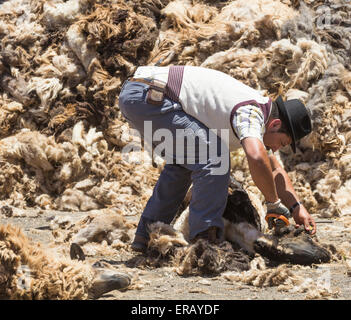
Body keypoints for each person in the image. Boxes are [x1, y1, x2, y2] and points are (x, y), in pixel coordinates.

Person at [118, 65, 316, 253]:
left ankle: (146, 236)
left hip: (141, 95)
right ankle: (204, 242)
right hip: (151, 96)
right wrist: (272, 203)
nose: (276, 148)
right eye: (282, 142)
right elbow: (257, 158)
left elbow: (273, 168)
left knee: (183, 165)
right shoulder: (251, 112)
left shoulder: (259, 114)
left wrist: (296, 207)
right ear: (275, 124)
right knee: (215, 155)